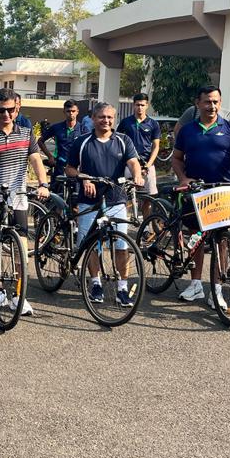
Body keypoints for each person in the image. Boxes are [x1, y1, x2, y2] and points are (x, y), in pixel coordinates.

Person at [171, 85, 230, 306]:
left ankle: (217, 289)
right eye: (207, 102)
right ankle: (195, 286)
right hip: (196, 191)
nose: (212, 106)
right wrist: (183, 178)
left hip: (222, 190)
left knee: (222, 240)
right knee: (196, 238)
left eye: (216, 102)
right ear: (198, 103)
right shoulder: (187, 130)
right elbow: (176, 158)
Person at [0, 88, 51, 316]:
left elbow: (36, 160)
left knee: (21, 248)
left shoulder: (26, 134)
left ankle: (18, 294)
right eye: (0, 110)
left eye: (9, 110)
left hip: (18, 199)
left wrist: (43, 184)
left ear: (16, 109)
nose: (5, 115)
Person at [65, 102, 143, 307]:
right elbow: (70, 169)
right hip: (89, 201)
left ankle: (122, 288)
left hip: (116, 199)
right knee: (92, 245)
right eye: (102, 117)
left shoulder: (123, 140)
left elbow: (133, 161)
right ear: (93, 118)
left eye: (110, 117)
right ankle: (96, 284)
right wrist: (84, 178)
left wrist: (137, 176)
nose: (106, 121)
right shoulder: (82, 142)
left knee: (121, 245)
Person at [116, 92, 161, 216]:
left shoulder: (153, 124)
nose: (139, 107)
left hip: (147, 165)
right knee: (125, 197)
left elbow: (156, 146)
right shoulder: (125, 122)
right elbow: (117, 142)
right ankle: (125, 224)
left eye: (142, 105)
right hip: (128, 165)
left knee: (149, 198)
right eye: (137, 105)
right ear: (133, 106)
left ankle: (146, 226)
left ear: (147, 105)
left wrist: (148, 165)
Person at [38, 99, 90, 183]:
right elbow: (40, 141)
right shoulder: (56, 127)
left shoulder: (83, 129)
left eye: (73, 111)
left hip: (76, 169)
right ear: (64, 112)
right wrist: (50, 156)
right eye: (68, 111)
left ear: (77, 112)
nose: (71, 113)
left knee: (76, 194)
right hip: (60, 166)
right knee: (56, 193)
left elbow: (89, 147)